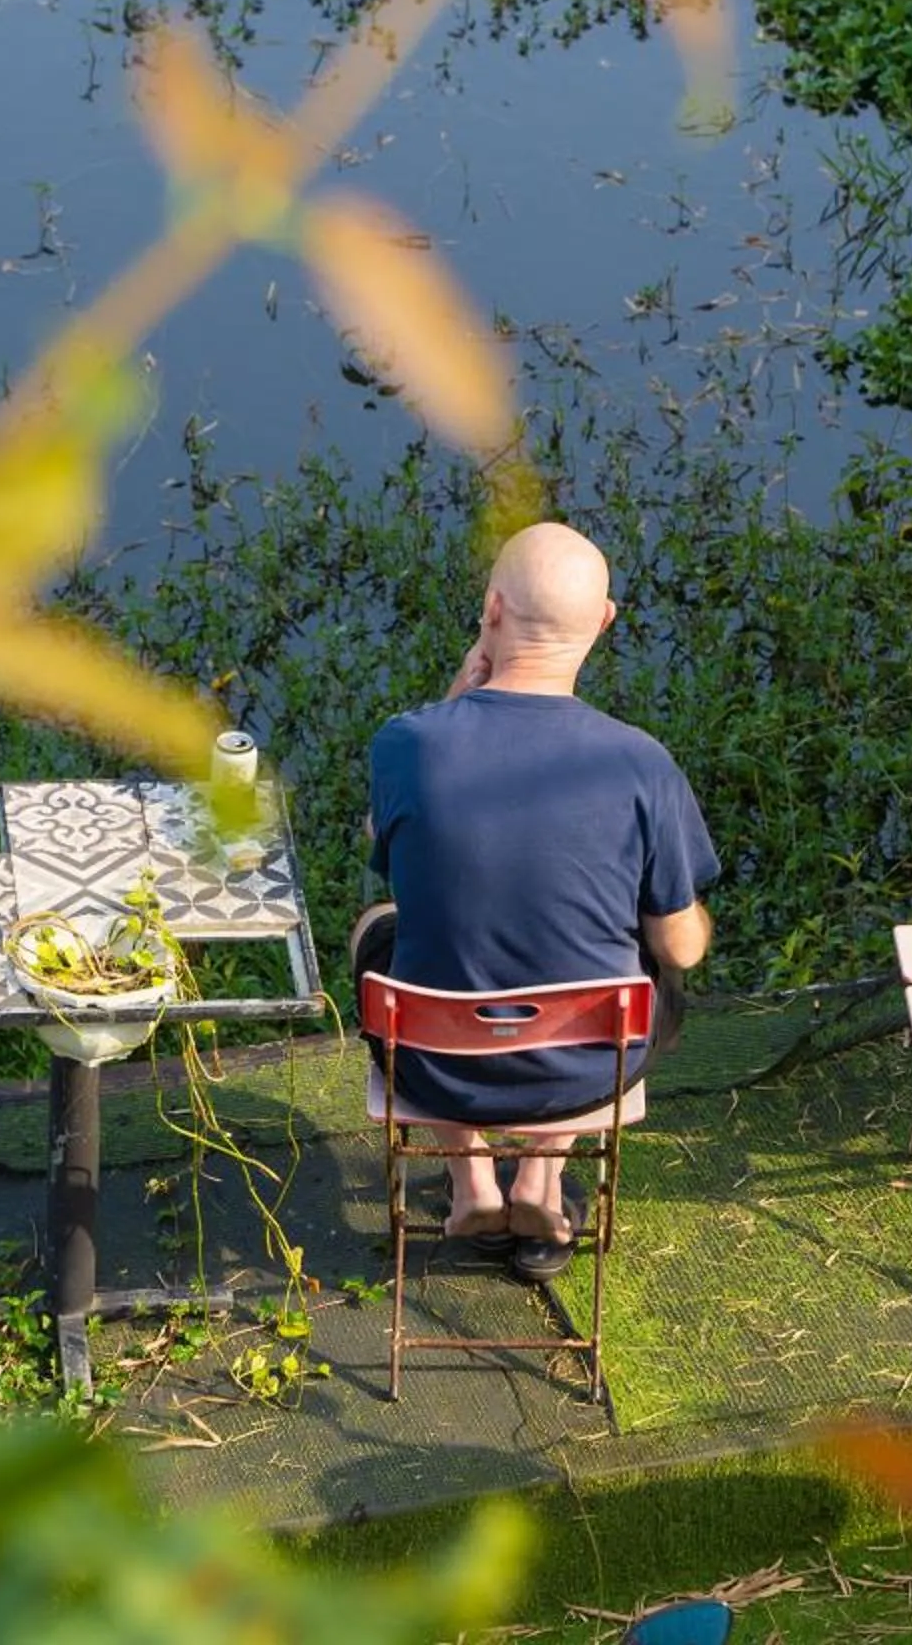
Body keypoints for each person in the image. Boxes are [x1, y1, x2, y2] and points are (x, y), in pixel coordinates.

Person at [360, 521, 717, 1282]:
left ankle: (471, 1185)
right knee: (637, 951)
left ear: (491, 610)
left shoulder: (406, 743)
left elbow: (380, 840)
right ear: (605, 621)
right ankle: (542, 1184)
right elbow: (681, 948)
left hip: (434, 1065)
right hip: (586, 1069)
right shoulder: (641, 763)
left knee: (379, 924)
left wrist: (460, 691)